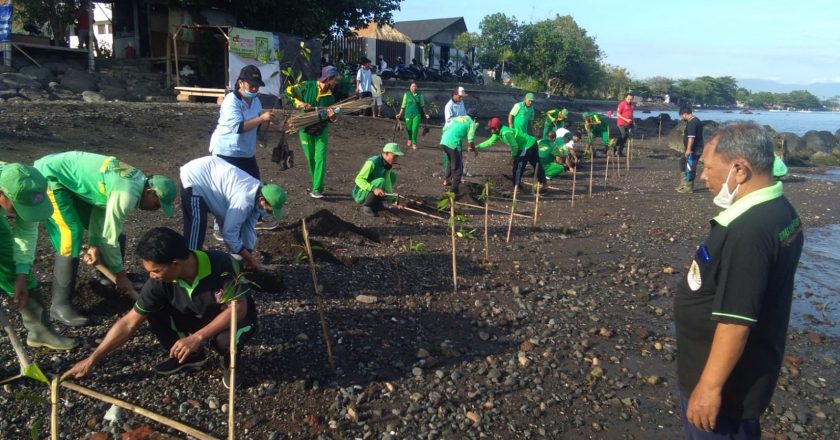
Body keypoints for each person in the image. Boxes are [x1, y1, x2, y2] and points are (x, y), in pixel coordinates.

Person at [674, 122, 804, 439]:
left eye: (708, 167)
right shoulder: (780, 210)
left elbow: (735, 321)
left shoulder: (748, 231)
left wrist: (709, 388)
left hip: (728, 391)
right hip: (743, 369)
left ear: (739, 170)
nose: (702, 176)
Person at [64, 227, 258, 389]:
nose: (152, 276)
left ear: (176, 264)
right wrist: (92, 359)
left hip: (234, 318)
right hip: (194, 317)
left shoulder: (222, 263)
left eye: (156, 270)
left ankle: (231, 364)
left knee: (225, 340)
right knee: (151, 310)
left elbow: (238, 309)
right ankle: (190, 357)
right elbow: (129, 322)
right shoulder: (159, 281)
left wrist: (198, 337)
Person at [34, 151, 177, 326]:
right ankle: (60, 305)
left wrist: (94, 245)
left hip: (69, 178)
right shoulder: (126, 194)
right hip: (51, 176)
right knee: (71, 234)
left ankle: (107, 281)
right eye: (157, 204)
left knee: (113, 230)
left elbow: (100, 207)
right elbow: (109, 239)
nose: (155, 210)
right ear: (150, 192)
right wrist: (120, 274)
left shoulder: (137, 181)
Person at [0, 163, 76, 350]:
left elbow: (26, 233)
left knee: (9, 260)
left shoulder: (23, 183)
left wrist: (21, 275)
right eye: (18, 207)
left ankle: (39, 331)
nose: (21, 213)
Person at [180, 156, 286, 271]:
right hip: (195, 177)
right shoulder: (244, 201)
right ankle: (187, 269)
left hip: (213, 178)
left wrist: (248, 255)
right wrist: (250, 259)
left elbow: (248, 227)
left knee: (235, 243)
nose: (268, 213)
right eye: (269, 210)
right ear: (262, 200)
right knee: (196, 229)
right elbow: (229, 233)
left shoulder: (259, 195)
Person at [209, 65, 276, 232]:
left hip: (246, 152)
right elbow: (238, 127)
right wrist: (262, 118)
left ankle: (256, 219)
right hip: (227, 151)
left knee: (255, 186)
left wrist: (277, 126)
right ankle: (220, 226)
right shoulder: (230, 101)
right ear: (240, 83)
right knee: (225, 189)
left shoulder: (256, 101)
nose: (254, 89)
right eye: (251, 85)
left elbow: (256, 126)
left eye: (257, 86)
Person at [286, 66, 339, 199]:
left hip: (322, 130)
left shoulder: (330, 97)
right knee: (310, 158)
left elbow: (330, 119)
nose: (336, 82)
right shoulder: (307, 86)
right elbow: (288, 90)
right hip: (305, 128)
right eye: (334, 79)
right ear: (328, 79)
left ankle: (317, 188)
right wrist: (300, 103)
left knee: (320, 158)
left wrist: (332, 117)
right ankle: (316, 183)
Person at [477, 117, 546, 191]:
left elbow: (514, 146)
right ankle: (542, 182)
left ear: (496, 128)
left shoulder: (506, 133)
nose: (490, 130)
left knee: (519, 165)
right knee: (535, 163)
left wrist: (513, 158)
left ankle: (516, 187)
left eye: (491, 129)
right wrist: (476, 147)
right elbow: (489, 142)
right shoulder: (497, 133)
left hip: (527, 145)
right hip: (530, 142)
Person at [352, 143, 403, 217]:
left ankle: (378, 203)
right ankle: (367, 206)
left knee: (392, 176)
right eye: (394, 156)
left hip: (373, 188)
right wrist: (374, 188)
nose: (396, 159)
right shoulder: (372, 162)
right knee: (381, 181)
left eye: (397, 157)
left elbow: (387, 183)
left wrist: (393, 200)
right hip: (360, 193)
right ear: (386, 153)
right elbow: (358, 179)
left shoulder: (387, 165)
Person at [439, 110, 480, 195]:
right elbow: (470, 139)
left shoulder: (458, 118)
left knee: (451, 161)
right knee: (458, 170)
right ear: (475, 118)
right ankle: (454, 191)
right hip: (453, 144)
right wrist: (475, 150)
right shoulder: (471, 123)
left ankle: (447, 181)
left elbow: (445, 128)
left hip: (443, 141)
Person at [677, 105, 704, 193]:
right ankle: (683, 184)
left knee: (690, 166)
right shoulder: (692, 121)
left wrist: (688, 149)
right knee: (683, 162)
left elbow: (691, 137)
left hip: (694, 149)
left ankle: (688, 187)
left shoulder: (693, 122)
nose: (681, 118)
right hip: (691, 148)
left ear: (684, 114)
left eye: (681, 116)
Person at [395, 82, 430, 149]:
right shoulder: (406, 94)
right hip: (408, 114)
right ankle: (409, 138)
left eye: (415, 86)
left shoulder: (420, 95)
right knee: (408, 129)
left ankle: (414, 143)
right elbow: (403, 105)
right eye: (413, 86)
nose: (414, 87)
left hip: (417, 114)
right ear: (410, 87)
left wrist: (426, 114)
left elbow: (422, 105)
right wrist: (399, 114)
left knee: (415, 129)